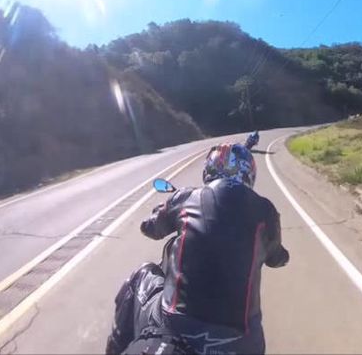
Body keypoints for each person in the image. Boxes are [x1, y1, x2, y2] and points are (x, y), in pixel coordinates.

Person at [106, 143, 289, 355]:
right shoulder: (267, 211)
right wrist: (280, 256)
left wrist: (164, 211)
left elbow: (150, 228)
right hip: (245, 344)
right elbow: (277, 258)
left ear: (208, 171)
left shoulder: (186, 197)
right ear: (250, 174)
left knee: (141, 275)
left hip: (179, 330)